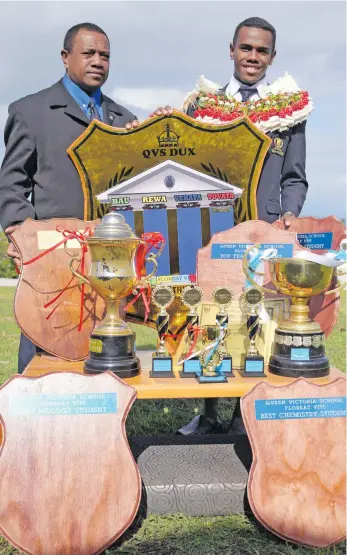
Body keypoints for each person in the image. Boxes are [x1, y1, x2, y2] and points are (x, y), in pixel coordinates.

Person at [152, 16, 310, 435]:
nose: (253, 57)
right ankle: (206, 412)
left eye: (261, 51)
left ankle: (245, 417)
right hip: (212, 229)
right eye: (246, 48)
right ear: (232, 50)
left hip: (263, 232)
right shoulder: (203, 104)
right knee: (210, 316)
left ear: (272, 57)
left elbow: (295, 176)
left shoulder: (289, 111)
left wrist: (288, 215)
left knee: (256, 320)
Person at [0, 22, 140, 373]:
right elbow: (11, 182)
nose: (98, 61)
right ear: (65, 57)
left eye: (105, 56)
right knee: (42, 346)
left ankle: (106, 416)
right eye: (89, 53)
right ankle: (30, 415)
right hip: (51, 255)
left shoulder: (125, 120)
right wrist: (22, 234)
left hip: (110, 256)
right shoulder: (29, 112)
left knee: (108, 346)